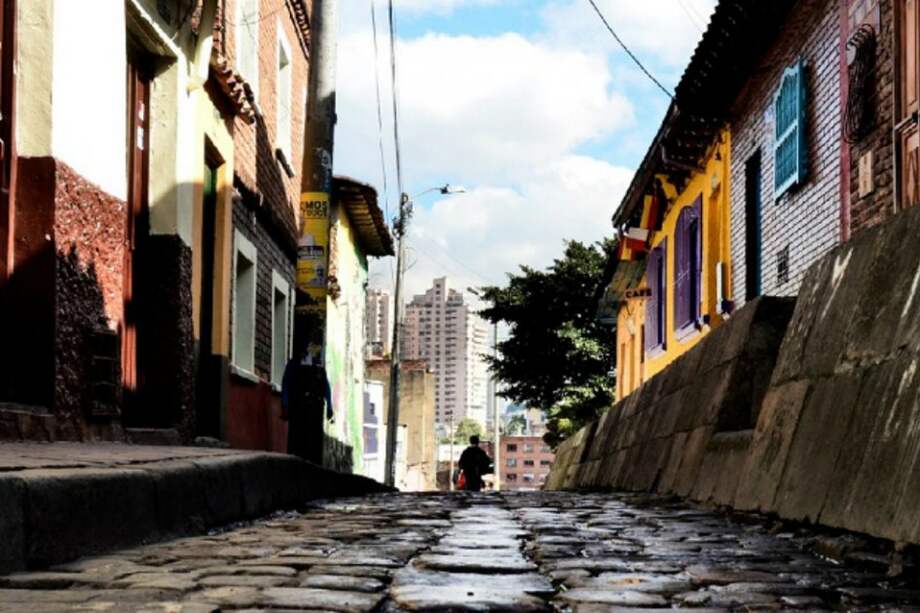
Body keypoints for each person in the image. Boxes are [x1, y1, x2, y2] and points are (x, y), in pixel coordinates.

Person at [281, 341, 329, 464]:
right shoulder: (294, 365)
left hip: (314, 410)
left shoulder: (318, 366)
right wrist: (285, 405)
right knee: (297, 439)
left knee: (311, 441)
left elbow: (325, 386)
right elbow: (286, 384)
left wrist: (329, 406)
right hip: (298, 408)